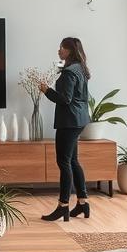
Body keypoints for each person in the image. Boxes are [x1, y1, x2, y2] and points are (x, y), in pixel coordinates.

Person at [37, 37, 92, 222]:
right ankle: (83, 202)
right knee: (73, 161)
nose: (59, 50)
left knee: (64, 162)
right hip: (79, 119)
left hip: (69, 121)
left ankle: (63, 206)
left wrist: (46, 90)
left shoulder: (69, 72)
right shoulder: (80, 68)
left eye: (62, 48)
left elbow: (65, 99)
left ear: (69, 50)